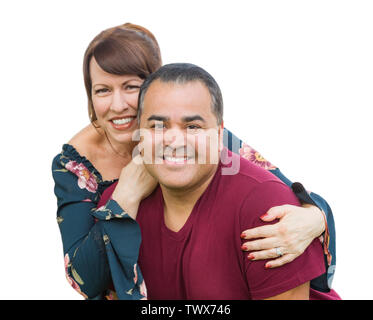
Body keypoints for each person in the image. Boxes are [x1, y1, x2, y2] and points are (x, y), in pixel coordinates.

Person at [52, 23, 336, 300]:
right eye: (102, 90)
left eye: (130, 87)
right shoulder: (76, 164)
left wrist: (316, 216)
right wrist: (126, 195)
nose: (117, 104)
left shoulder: (205, 137)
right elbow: (85, 280)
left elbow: (274, 191)